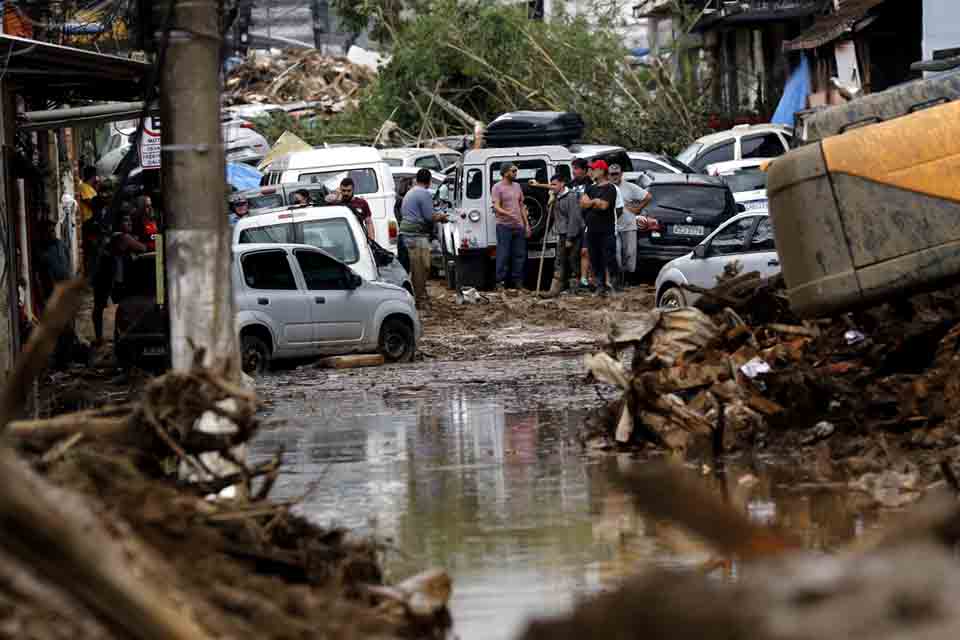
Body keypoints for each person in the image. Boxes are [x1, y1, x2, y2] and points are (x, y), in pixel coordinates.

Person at [92, 212, 146, 345]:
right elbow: (142, 248)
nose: (129, 224)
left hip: (103, 274)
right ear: (119, 224)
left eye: (130, 221)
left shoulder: (111, 237)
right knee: (121, 307)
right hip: (109, 276)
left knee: (99, 308)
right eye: (126, 221)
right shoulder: (123, 237)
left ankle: (100, 337)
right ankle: (114, 337)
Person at [399, 168, 448, 305]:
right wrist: (442, 217)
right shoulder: (424, 193)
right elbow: (429, 216)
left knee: (416, 268)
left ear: (417, 179)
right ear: (429, 181)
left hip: (406, 234)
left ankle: (419, 295)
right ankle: (420, 299)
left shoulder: (412, 192)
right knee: (421, 267)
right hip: (415, 235)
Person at [580, 160, 619, 297]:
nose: (591, 172)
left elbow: (604, 206)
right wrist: (594, 202)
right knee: (595, 260)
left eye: (594, 169)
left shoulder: (610, 188)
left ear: (602, 171)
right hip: (591, 230)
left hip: (606, 231)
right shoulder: (590, 188)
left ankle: (614, 286)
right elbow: (583, 203)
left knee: (609, 258)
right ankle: (600, 286)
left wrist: (592, 203)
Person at [541, 174, 584, 298]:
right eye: (551, 184)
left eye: (554, 184)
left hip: (573, 233)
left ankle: (574, 289)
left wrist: (570, 238)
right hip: (562, 233)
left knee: (573, 260)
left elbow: (574, 218)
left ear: (562, 184)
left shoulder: (571, 196)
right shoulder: (556, 197)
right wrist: (550, 202)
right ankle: (555, 289)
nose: (552, 187)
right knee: (559, 260)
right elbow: (552, 214)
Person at [609, 164, 652, 288]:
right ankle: (617, 280)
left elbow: (648, 196)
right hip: (614, 226)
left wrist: (637, 208)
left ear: (621, 174)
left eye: (617, 174)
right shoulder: (607, 188)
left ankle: (628, 280)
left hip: (629, 225)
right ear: (609, 175)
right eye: (612, 174)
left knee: (629, 253)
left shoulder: (630, 187)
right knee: (616, 253)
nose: (615, 176)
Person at [492, 164, 531, 290]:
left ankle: (518, 282)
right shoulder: (497, 187)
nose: (516, 173)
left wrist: (527, 225)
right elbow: (496, 206)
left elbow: (522, 206)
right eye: (513, 171)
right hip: (504, 226)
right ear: (505, 172)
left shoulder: (517, 186)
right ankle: (500, 282)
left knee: (520, 254)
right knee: (503, 254)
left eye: (516, 171)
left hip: (518, 225)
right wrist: (507, 213)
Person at [570, 158, 594, 291]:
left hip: (587, 222)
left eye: (577, 168)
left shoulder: (591, 184)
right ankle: (577, 278)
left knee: (586, 252)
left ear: (584, 170)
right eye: (573, 168)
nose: (574, 171)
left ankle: (589, 279)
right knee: (573, 253)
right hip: (573, 223)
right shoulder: (570, 184)